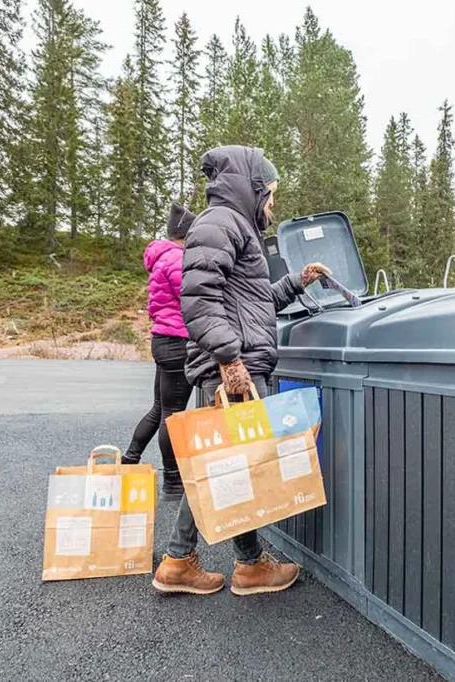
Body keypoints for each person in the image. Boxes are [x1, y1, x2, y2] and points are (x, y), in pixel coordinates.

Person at [152, 145, 331, 596]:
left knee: (229, 466)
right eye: (270, 194)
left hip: (240, 364)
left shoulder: (234, 225)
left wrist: (297, 281)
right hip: (235, 369)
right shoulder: (221, 223)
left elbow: (251, 302)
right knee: (228, 467)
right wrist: (229, 359)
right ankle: (223, 564)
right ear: (252, 189)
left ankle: (202, 563)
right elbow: (198, 298)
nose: (272, 204)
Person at [122, 202, 197, 501]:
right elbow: (193, 297)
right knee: (173, 415)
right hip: (178, 342)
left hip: (163, 340)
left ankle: (129, 460)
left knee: (160, 409)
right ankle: (173, 483)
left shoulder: (161, 258)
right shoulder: (178, 260)